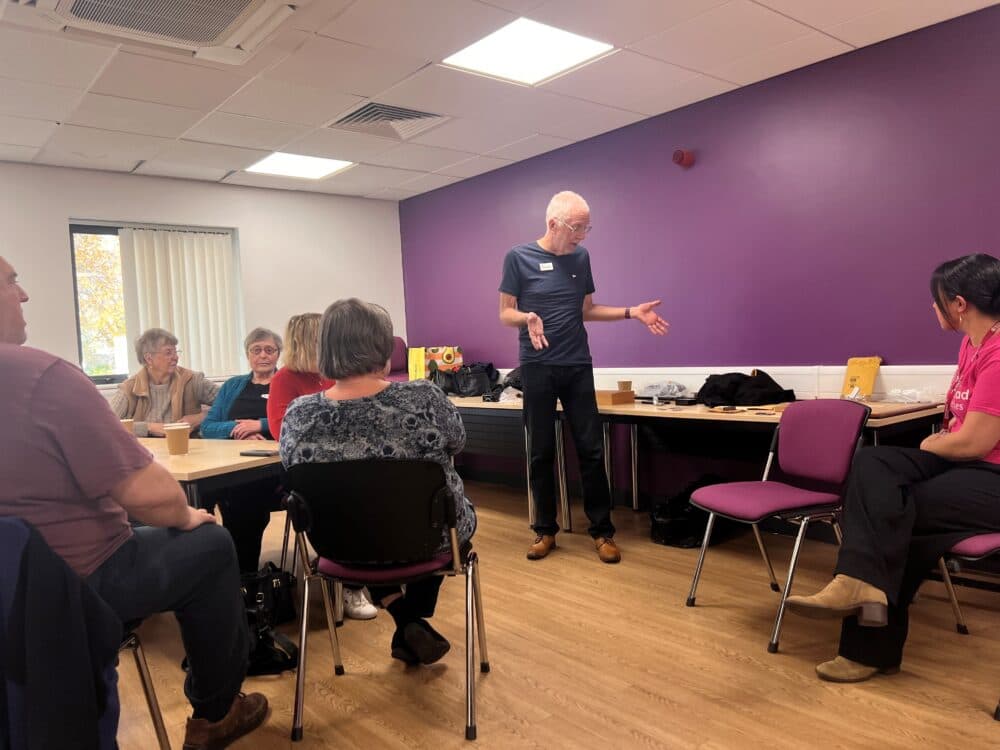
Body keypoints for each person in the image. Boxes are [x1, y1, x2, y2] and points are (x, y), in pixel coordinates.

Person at [0, 255, 268, 748]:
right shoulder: (45, 376)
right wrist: (186, 512)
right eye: (13, 280)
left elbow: (216, 407)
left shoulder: (196, 379)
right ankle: (216, 711)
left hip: (12, 585)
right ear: (149, 358)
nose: (24, 294)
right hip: (71, 581)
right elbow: (152, 495)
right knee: (209, 541)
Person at [786, 253, 1000, 683]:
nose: (931, 308)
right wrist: (941, 440)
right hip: (961, 465)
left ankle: (867, 644)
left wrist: (929, 441)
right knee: (873, 461)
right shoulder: (971, 343)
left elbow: (977, 441)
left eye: (936, 300)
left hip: (991, 477)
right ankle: (858, 588)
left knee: (893, 511)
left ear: (959, 304)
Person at [280, 298, 476, 665]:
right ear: (382, 347)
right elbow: (457, 443)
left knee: (364, 524)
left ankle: (405, 619)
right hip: (429, 540)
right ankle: (410, 620)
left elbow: (291, 469)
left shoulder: (299, 414)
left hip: (338, 545)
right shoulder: (424, 397)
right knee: (430, 519)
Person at [498, 191, 669, 563]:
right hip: (537, 366)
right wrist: (526, 318)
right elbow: (504, 313)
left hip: (577, 364)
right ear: (552, 224)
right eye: (577, 227)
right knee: (540, 451)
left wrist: (631, 312)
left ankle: (602, 532)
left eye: (586, 227)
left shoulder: (581, 257)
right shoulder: (518, 257)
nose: (582, 235)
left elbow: (587, 310)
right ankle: (545, 530)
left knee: (592, 450)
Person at [267, 312, 377, 620]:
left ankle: (378, 576)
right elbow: (281, 430)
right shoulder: (284, 379)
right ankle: (352, 587)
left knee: (378, 488)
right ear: (310, 341)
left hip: (345, 463)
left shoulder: (335, 375)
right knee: (346, 500)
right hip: (309, 470)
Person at [201, 327, 283, 573]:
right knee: (198, 495)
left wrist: (260, 425)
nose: (263, 355)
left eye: (269, 350)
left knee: (243, 501)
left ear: (279, 354)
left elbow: (292, 420)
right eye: (256, 350)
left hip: (268, 467)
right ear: (248, 355)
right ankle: (204, 568)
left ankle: (243, 577)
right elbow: (208, 427)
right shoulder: (233, 385)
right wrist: (237, 430)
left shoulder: (285, 382)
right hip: (227, 462)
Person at [109, 327, 218, 437]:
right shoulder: (129, 389)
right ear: (149, 358)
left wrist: (200, 418)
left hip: (186, 450)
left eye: (175, 352)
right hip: (144, 451)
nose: (175, 357)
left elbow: (230, 402)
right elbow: (106, 424)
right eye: (168, 352)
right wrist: (148, 427)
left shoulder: (192, 380)